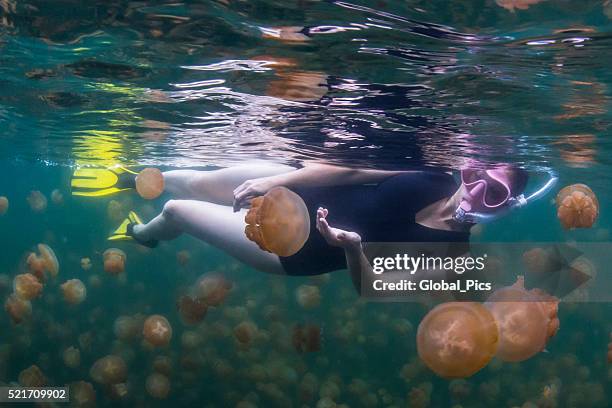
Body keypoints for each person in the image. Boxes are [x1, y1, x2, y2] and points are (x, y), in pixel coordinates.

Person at [72, 162, 554, 291]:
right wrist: (275, 178)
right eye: (475, 175)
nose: (472, 190)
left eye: (492, 192)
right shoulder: (430, 176)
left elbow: (370, 286)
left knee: (177, 210)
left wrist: (349, 249)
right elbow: (346, 171)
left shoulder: (453, 259)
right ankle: (127, 177)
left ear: (507, 206)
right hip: (294, 186)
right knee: (195, 179)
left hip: (293, 251)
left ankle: (141, 236)